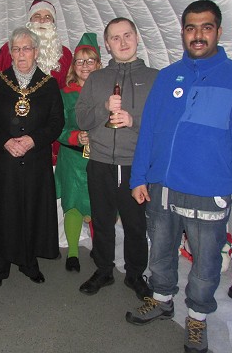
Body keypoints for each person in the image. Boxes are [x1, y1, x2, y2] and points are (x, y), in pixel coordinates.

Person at [125, 0, 232, 353]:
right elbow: (149, 131)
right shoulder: (168, 77)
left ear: (218, 31)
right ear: (183, 32)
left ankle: (198, 318)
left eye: (206, 27)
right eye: (191, 28)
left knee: (206, 261)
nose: (198, 35)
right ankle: (161, 299)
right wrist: (139, 177)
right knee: (161, 250)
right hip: (163, 187)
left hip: (209, 190)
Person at [0, 27, 64, 288]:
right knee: (2, 212)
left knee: (31, 211)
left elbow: (56, 122)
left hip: (35, 162)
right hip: (3, 162)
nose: (22, 54)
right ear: (10, 53)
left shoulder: (49, 84)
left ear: (36, 52)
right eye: (16, 49)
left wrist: (33, 140)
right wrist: (5, 140)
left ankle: (28, 262)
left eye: (27, 49)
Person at [75, 18, 158, 301]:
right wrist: (104, 107)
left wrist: (133, 121)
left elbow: (164, 125)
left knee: (135, 224)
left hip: (135, 166)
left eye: (127, 35)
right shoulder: (96, 78)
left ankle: (135, 274)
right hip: (100, 162)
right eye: (115, 38)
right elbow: (81, 118)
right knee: (101, 221)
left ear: (137, 37)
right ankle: (104, 270)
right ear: (107, 45)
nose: (122, 42)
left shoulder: (154, 79)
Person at [55, 33, 102, 272]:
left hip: (100, 158)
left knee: (99, 205)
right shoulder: (64, 94)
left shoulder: (107, 93)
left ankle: (99, 249)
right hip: (72, 160)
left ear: (98, 64)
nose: (84, 65)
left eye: (90, 60)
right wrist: (75, 137)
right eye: (80, 61)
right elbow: (56, 128)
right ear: (73, 65)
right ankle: (72, 252)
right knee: (72, 205)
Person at [0, 0, 72, 90]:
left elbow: (68, 89)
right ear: (30, 20)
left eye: (48, 17)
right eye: (37, 16)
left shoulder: (65, 54)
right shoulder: (9, 49)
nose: (42, 20)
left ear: (53, 23)